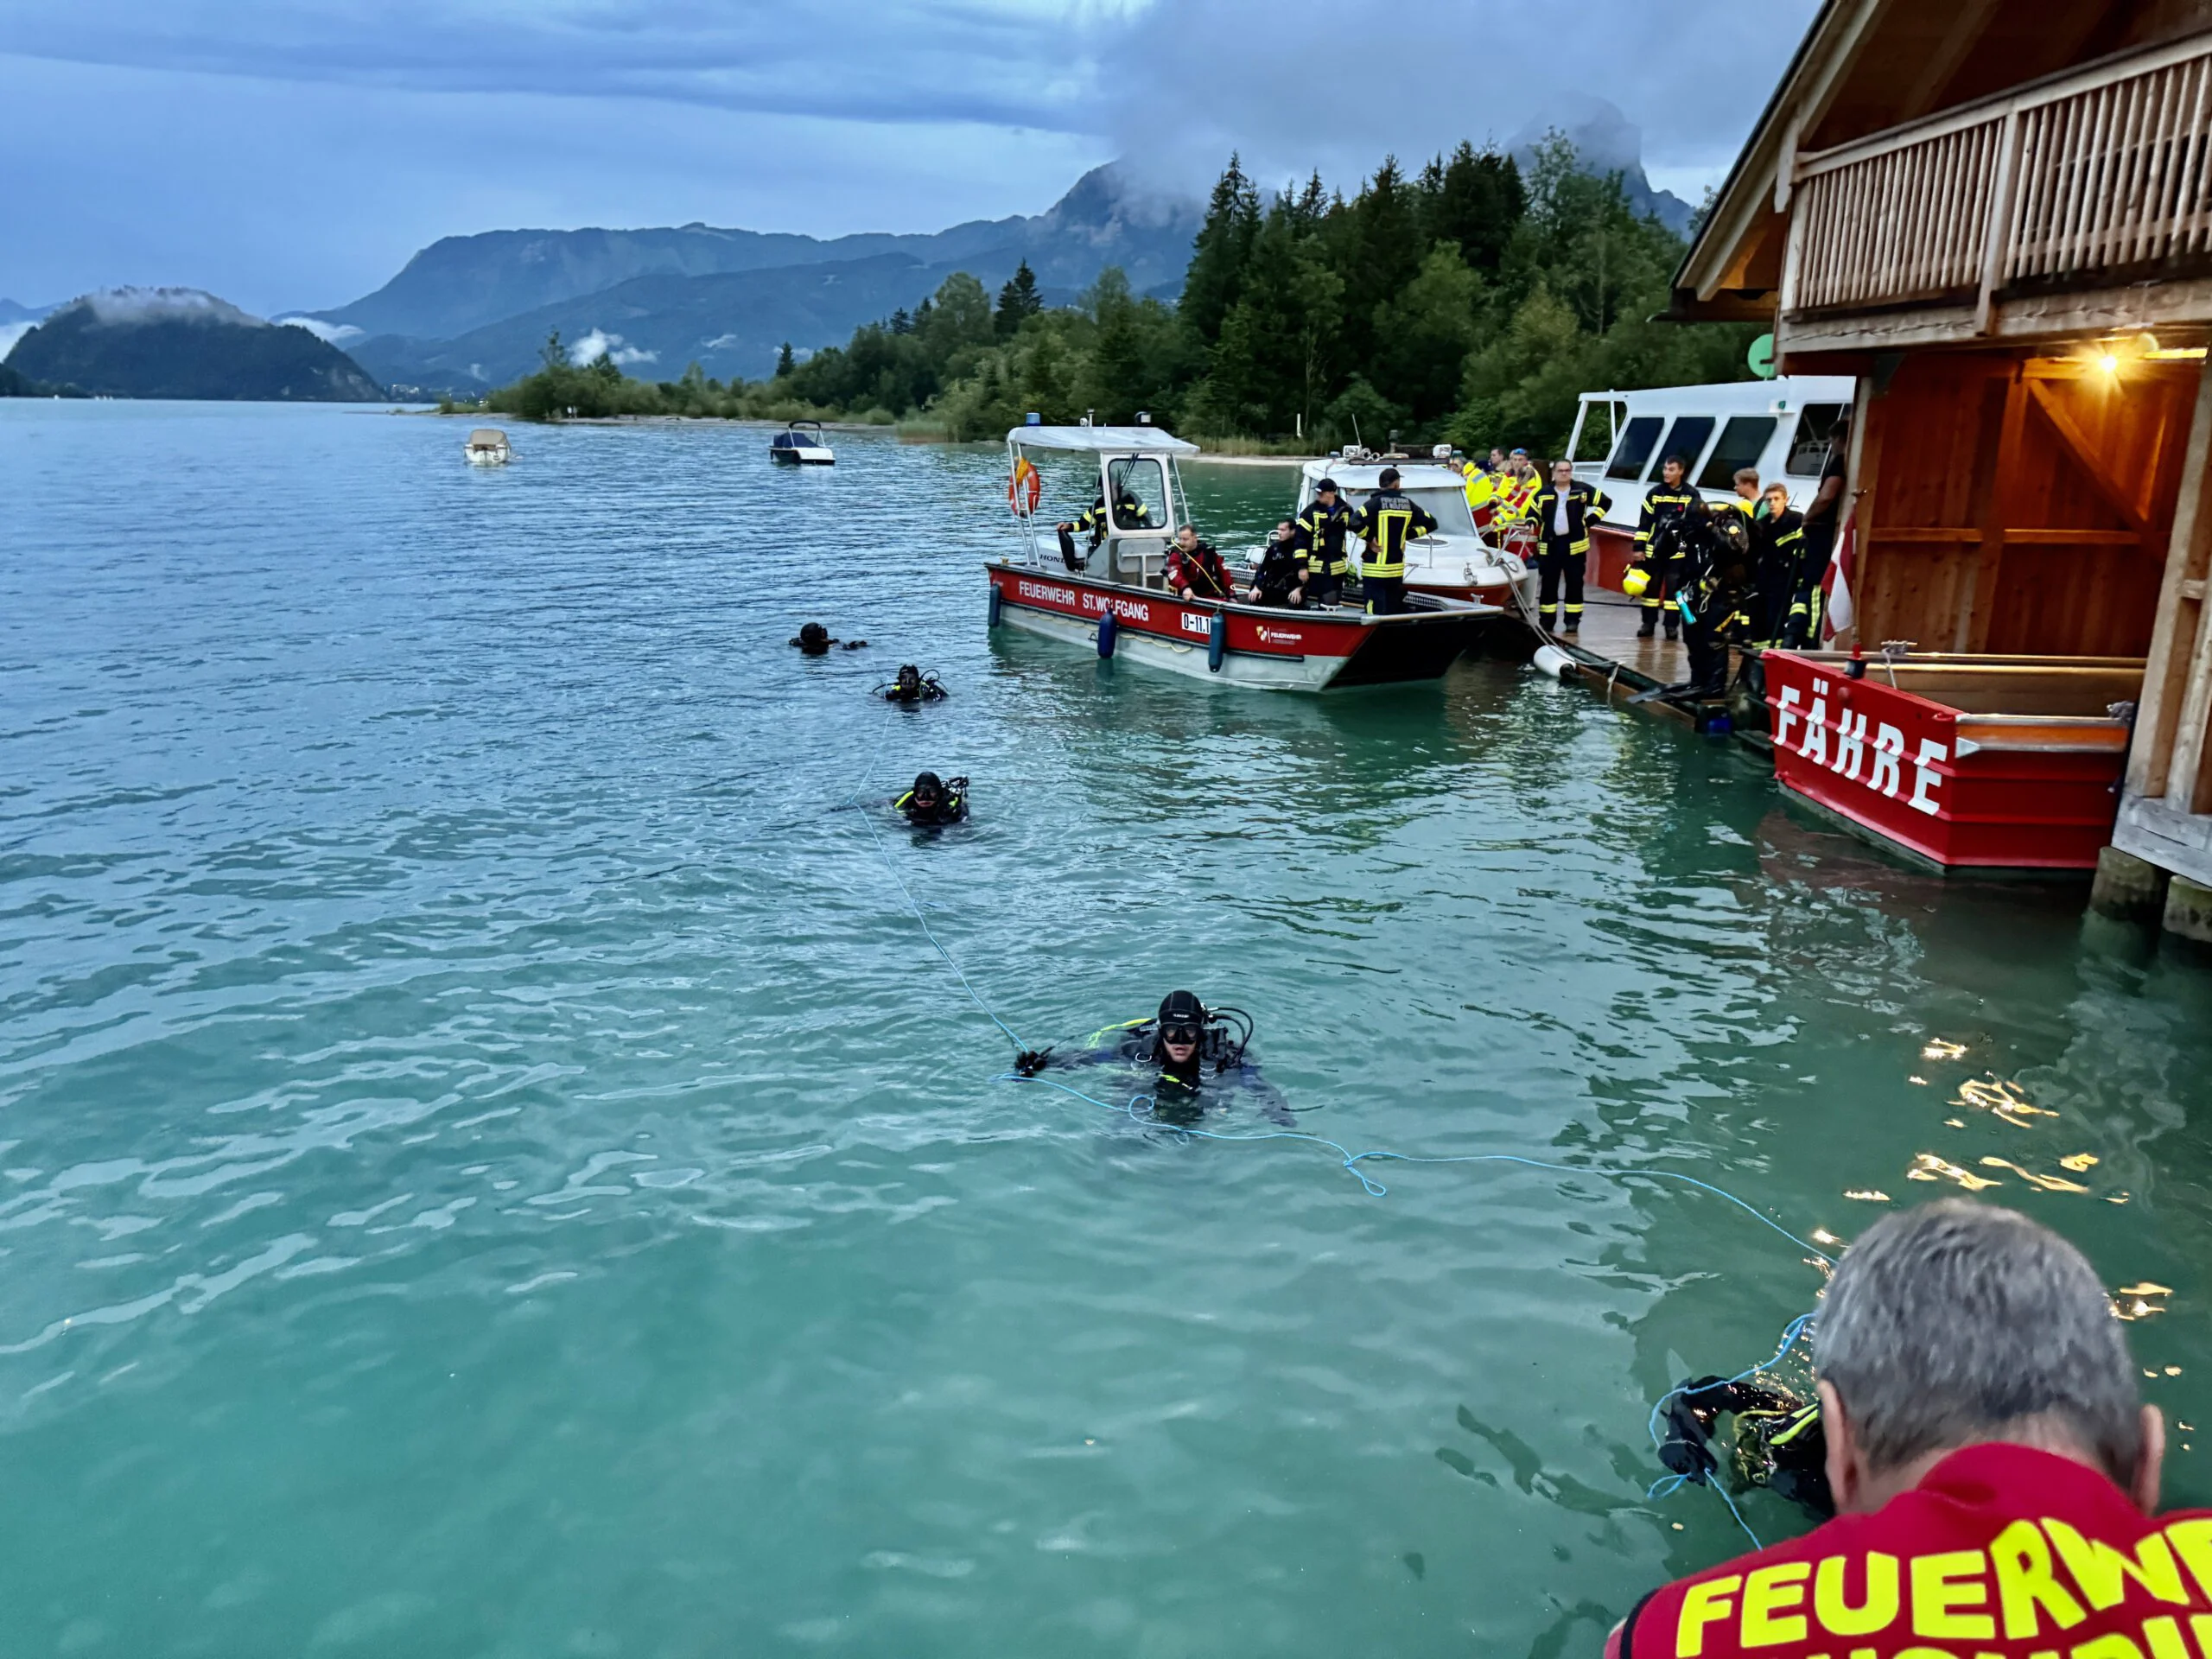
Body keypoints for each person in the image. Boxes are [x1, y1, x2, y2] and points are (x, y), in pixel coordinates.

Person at [1607, 1199, 2195, 1659]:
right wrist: (1687, 1436)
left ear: (1844, 1450)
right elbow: (1708, 1395)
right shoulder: (1786, 1439)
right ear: (2145, 1462)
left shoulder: (1676, 1631)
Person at [1014, 989, 1291, 1126]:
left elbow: (1256, 1084)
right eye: (1172, 1032)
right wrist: (1043, 1063)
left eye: (1189, 1032)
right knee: (1123, 1117)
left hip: (1199, 1104)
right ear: (1161, 1032)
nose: (1180, 1042)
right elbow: (1094, 1057)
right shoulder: (1142, 1048)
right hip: (1150, 1098)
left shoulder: (1222, 1055)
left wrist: (1278, 1114)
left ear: (1201, 1032)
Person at [1521, 459, 1612, 635]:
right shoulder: (1543, 493)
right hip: (1551, 545)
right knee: (1548, 585)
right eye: (1561, 470)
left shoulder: (1582, 490)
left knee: (1574, 584)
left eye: (1567, 470)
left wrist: (1590, 521)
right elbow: (1532, 513)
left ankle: (1572, 621)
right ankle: (1547, 621)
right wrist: (1530, 523)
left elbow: (1605, 502)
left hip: (1575, 546)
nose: (1564, 473)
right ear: (1554, 473)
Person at [1789, 414, 1849, 646]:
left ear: (1838, 438)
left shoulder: (1837, 462)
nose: (1831, 446)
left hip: (1821, 532)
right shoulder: (1846, 461)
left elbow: (1826, 496)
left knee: (1814, 587)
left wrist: (1807, 518)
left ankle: (1812, 639)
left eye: (1832, 441)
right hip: (1828, 533)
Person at [1351, 466, 1437, 615]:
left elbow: (1353, 522)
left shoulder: (1374, 504)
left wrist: (1370, 539)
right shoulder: (1408, 504)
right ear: (1396, 483)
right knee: (1392, 611)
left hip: (1375, 571)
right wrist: (1408, 535)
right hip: (1396, 571)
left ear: (1381, 484)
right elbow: (1431, 523)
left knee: (1373, 612)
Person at [1633, 455, 1701, 640]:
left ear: (1681, 471)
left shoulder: (1691, 495)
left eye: (1671, 469)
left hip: (1678, 553)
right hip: (1653, 550)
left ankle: (1671, 627)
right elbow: (1644, 522)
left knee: (1675, 593)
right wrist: (1638, 547)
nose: (1666, 472)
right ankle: (1648, 624)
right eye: (1665, 469)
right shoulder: (1655, 493)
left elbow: (1695, 524)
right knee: (1651, 591)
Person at [1750, 484, 1805, 647]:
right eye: (1769, 500)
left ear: (1785, 500)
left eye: (1776, 499)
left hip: (1787, 579)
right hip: (1765, 578)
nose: (1772, 503)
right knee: (1761, 619)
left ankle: (1778, 652)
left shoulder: (1796, 521)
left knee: (1778, 618)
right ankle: (1762, 654)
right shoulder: (1761, 525)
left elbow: (1802, 551)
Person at [1296, 478, 1361, 607]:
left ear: (1331, 493)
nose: (1318, 495)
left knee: (1331, 602)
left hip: (1337, 567)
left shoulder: (1346, 510)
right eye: (1317, 492)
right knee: (1315, 600)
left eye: (1321, 493)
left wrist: (1372, 540)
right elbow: (1300, 541)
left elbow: (1358, 527)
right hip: (1316, 567)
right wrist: (1302, 567)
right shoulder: (1309, 513)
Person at [1246, 520, 1309, 607]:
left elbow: (1309, 573)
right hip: (1276, 587)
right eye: (1278, 530)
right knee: (1255, 596)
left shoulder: (1301, 549)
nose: (1279, 533)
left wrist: (1299, 589)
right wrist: (1257, 587)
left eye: (1283, 530)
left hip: (1294, 588)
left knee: (1295, 601)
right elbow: (1262, 569)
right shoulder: (1274, 549)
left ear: (1293, 531)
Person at [1166, 524, 1233, 601]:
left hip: (1210, 596)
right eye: (1180, 539)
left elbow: (1225, 572)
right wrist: (1185, 587)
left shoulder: (1208, 552)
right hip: (1189, 597)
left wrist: (1232, 594)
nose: (1181, 543)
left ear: (1195, 538)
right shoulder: (1176, 555)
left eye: (1185, 539)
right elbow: (1174, 575)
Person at [894, 771, 967, 825]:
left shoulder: (951, 808)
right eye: (920, 792)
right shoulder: (908, 802)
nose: (925, 797)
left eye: (932, 791)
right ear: (915, 793)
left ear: (939, 793)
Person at [882, 664, 948, 704]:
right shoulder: (894, 692)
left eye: (912, 678)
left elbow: (945, 699)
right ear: (899, 680)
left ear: (917, 680)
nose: (907, 682)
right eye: (904, 678)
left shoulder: (928, 690)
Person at [791, 622, 867, 655]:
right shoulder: (825, 647)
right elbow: (843, 650)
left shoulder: (800, 643)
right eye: (823, 634)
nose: (826, 636)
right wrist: (853, 646)